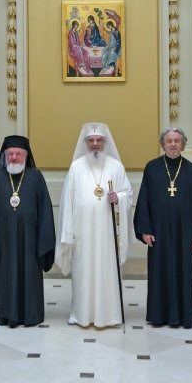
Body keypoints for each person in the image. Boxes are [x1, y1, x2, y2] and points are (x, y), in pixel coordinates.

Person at [134, 128, 192, 329]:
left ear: (183, 144)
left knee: (184, 273)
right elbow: (144, 200)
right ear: (163, 144)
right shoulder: (152, 168)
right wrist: (145, 230)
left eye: (177, 141)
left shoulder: (191, 169)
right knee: (159, 272)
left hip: (185, 232)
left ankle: (185, 316)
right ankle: (159, 316)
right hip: (158, 232)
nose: (173, 144)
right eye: (169, 141)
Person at [58, 123, 133, 328]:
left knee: (106, 272)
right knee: (83, 271)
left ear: (105, 143)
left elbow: (128, 193)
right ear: (85, 143)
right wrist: (68, 232)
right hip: (83, 232)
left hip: (108, 233)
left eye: (99, 140)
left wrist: (118, 197)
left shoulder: (115, 166)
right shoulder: (76, 167)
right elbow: (68, 202)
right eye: (91, 141)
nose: (95, 145)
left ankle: (109, 315)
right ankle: (81, 314)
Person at [0, 135, 56, 327]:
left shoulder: (36, 176)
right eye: (10, 154)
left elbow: (46, 210)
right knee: (6, 277)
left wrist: (43, 240)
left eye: (18, 154)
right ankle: (7, 314)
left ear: (25, 155)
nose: (14, 158)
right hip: (4, 241)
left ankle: (32, 315)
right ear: (5, 156)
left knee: (30, 276)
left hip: (30, 241)